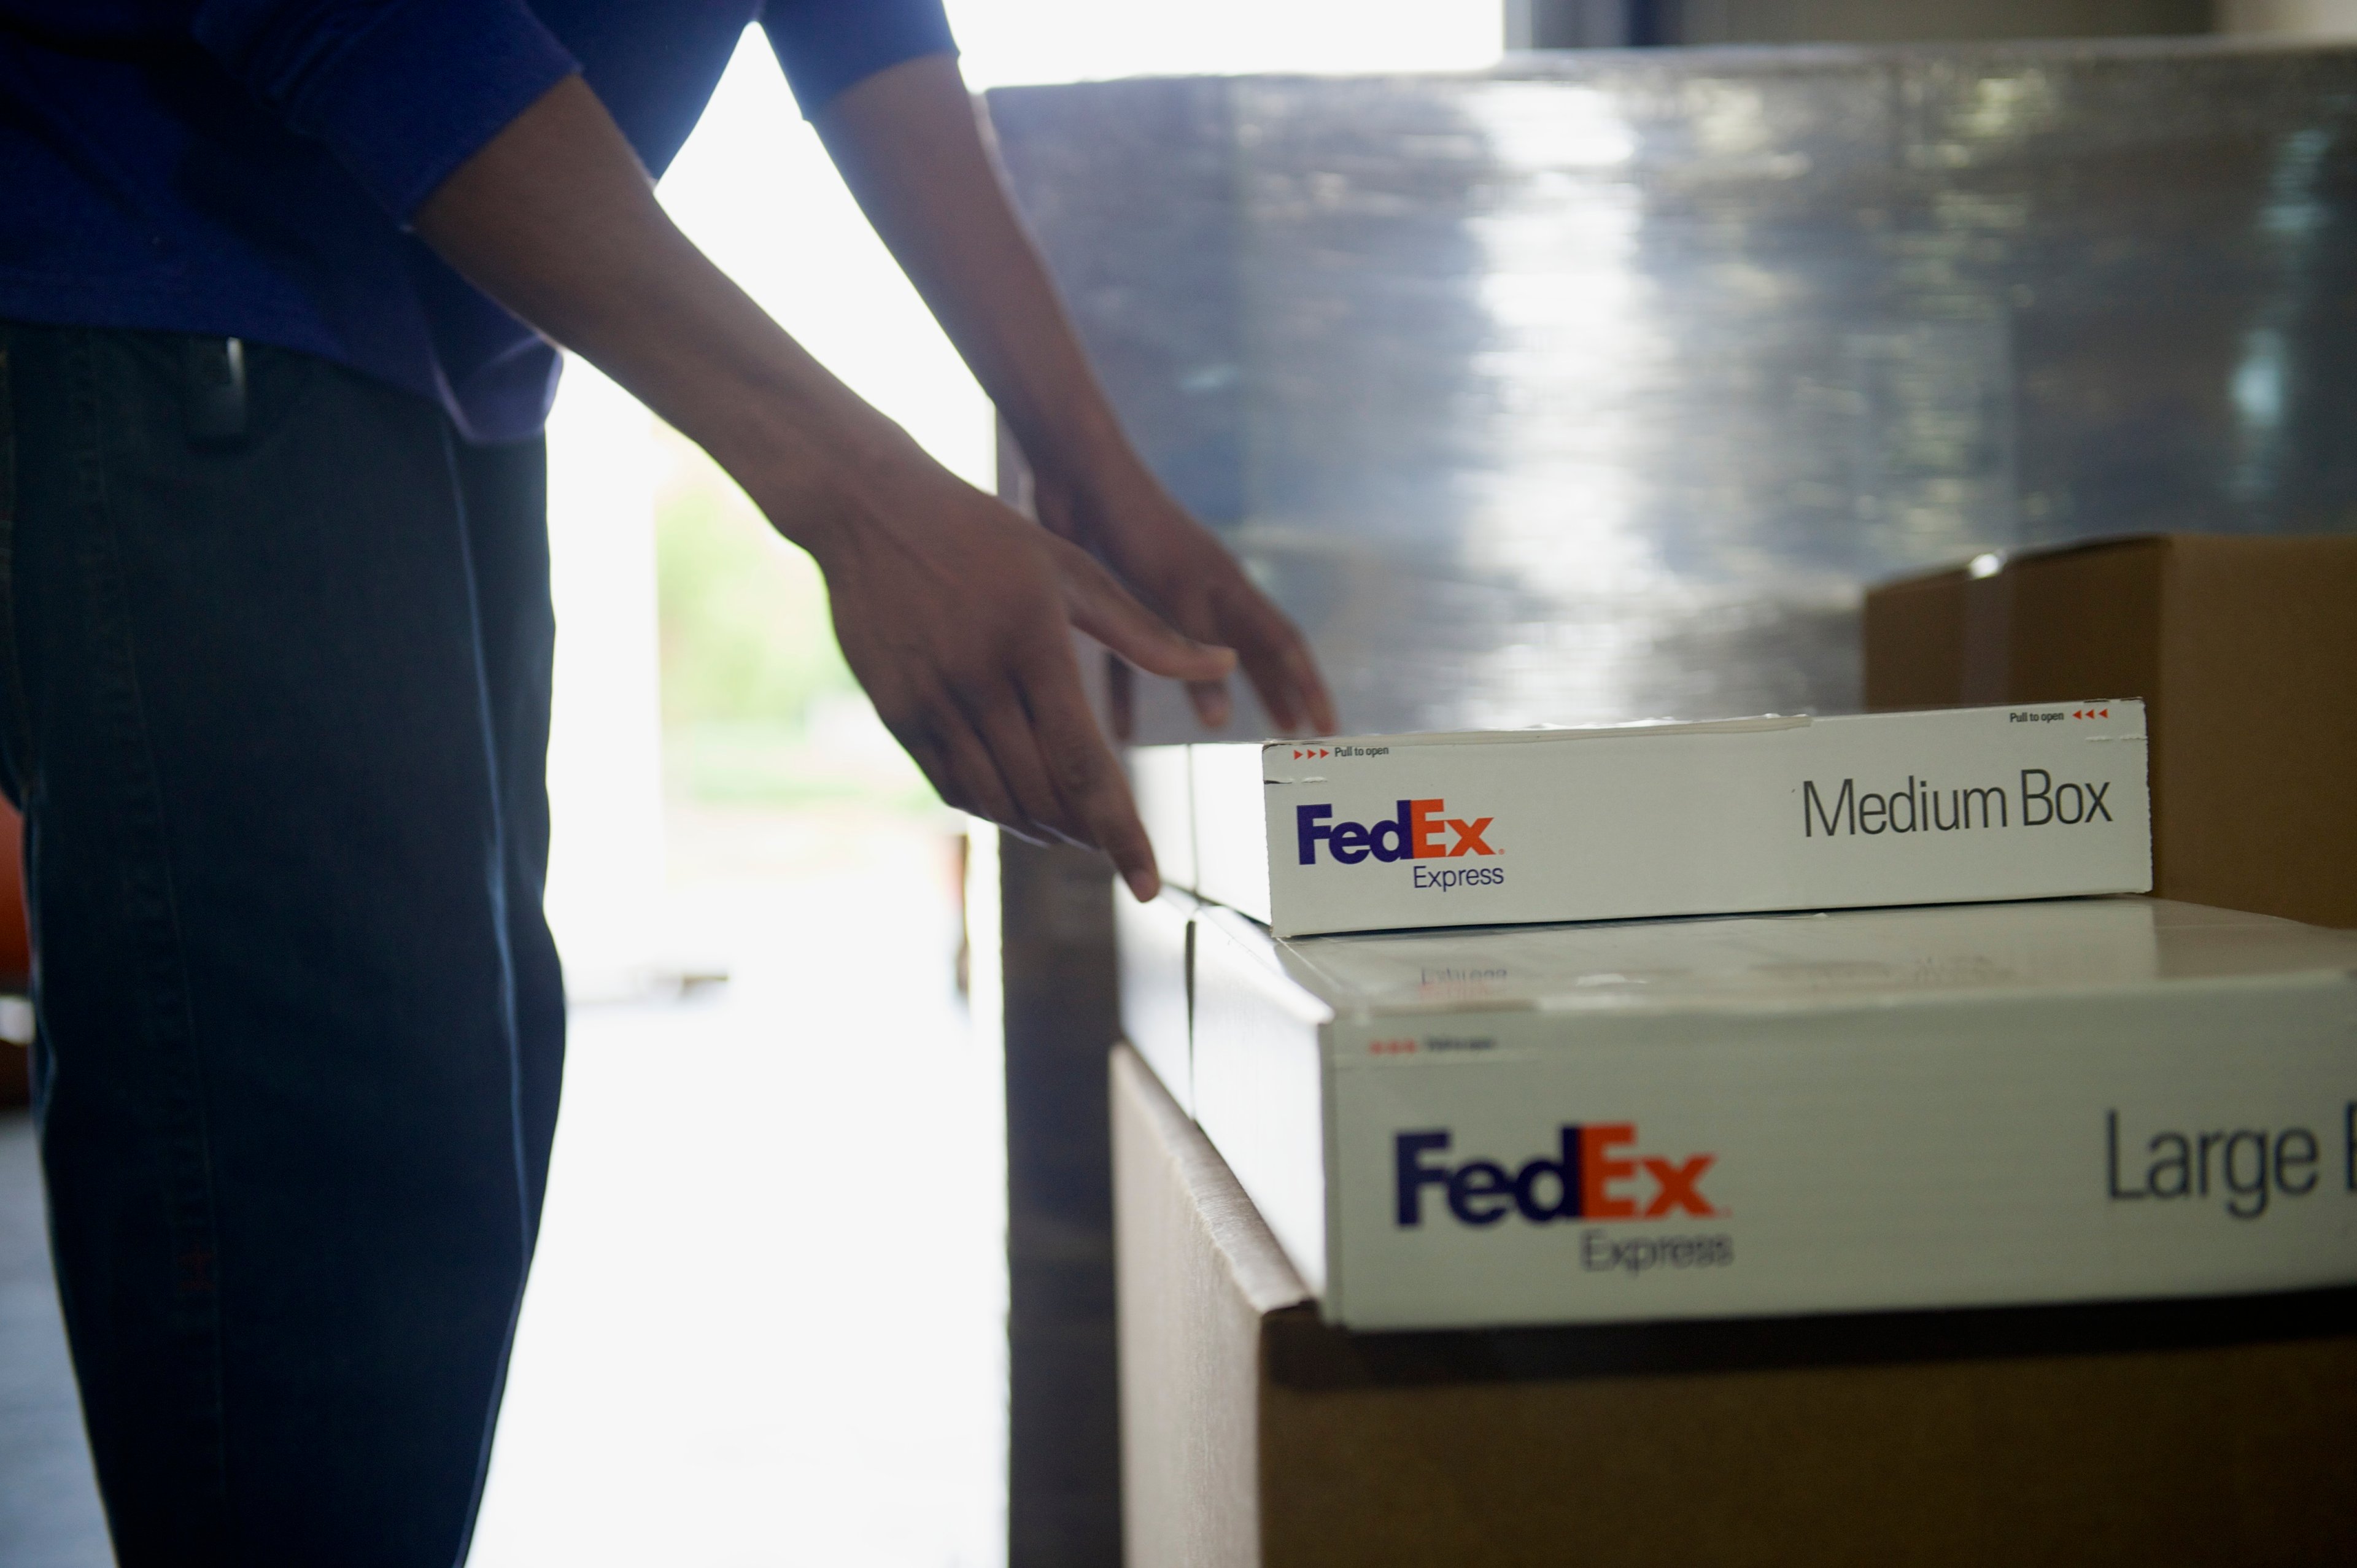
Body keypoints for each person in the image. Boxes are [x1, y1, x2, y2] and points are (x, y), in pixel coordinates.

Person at [0, 1, 1336, 1561]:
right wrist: (858, 490)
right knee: (322, 1225)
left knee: (450, 1157)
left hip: (441, 325)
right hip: (174, 255)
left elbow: (856, 18)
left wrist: (1094, 468)